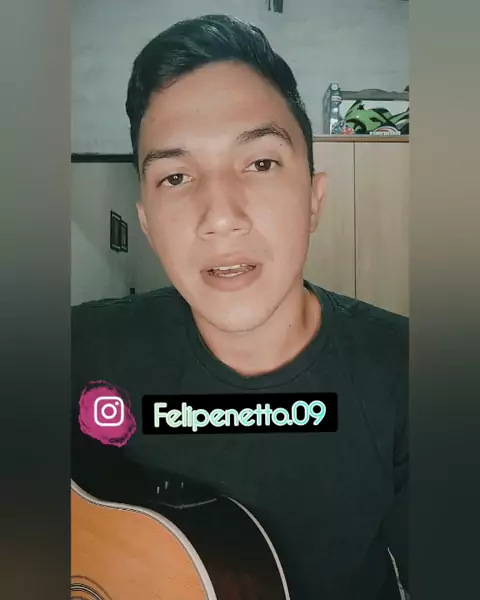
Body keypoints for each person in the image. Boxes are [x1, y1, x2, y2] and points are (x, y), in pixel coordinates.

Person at [71, 14, 408, 600]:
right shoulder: (77, 348)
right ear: (147, 222)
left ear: (313, 199)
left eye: (260, 163)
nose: (221, 216)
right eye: (176, 177)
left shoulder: (409, 372)